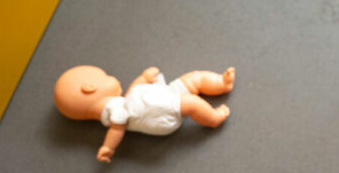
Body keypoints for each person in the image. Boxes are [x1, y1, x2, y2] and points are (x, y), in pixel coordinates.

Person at [54, 65, 235, 163]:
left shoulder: (119, 104)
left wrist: (143, 78)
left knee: (193, 78)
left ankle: (221, 83)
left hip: (162, 95)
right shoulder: (112, 112)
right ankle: (213, 118)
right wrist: (108, 147)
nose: (112, 78)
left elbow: (130, 96)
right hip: (158, 114)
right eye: (106, 76)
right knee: (192, 103)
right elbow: (117, 128)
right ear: (89, 89)